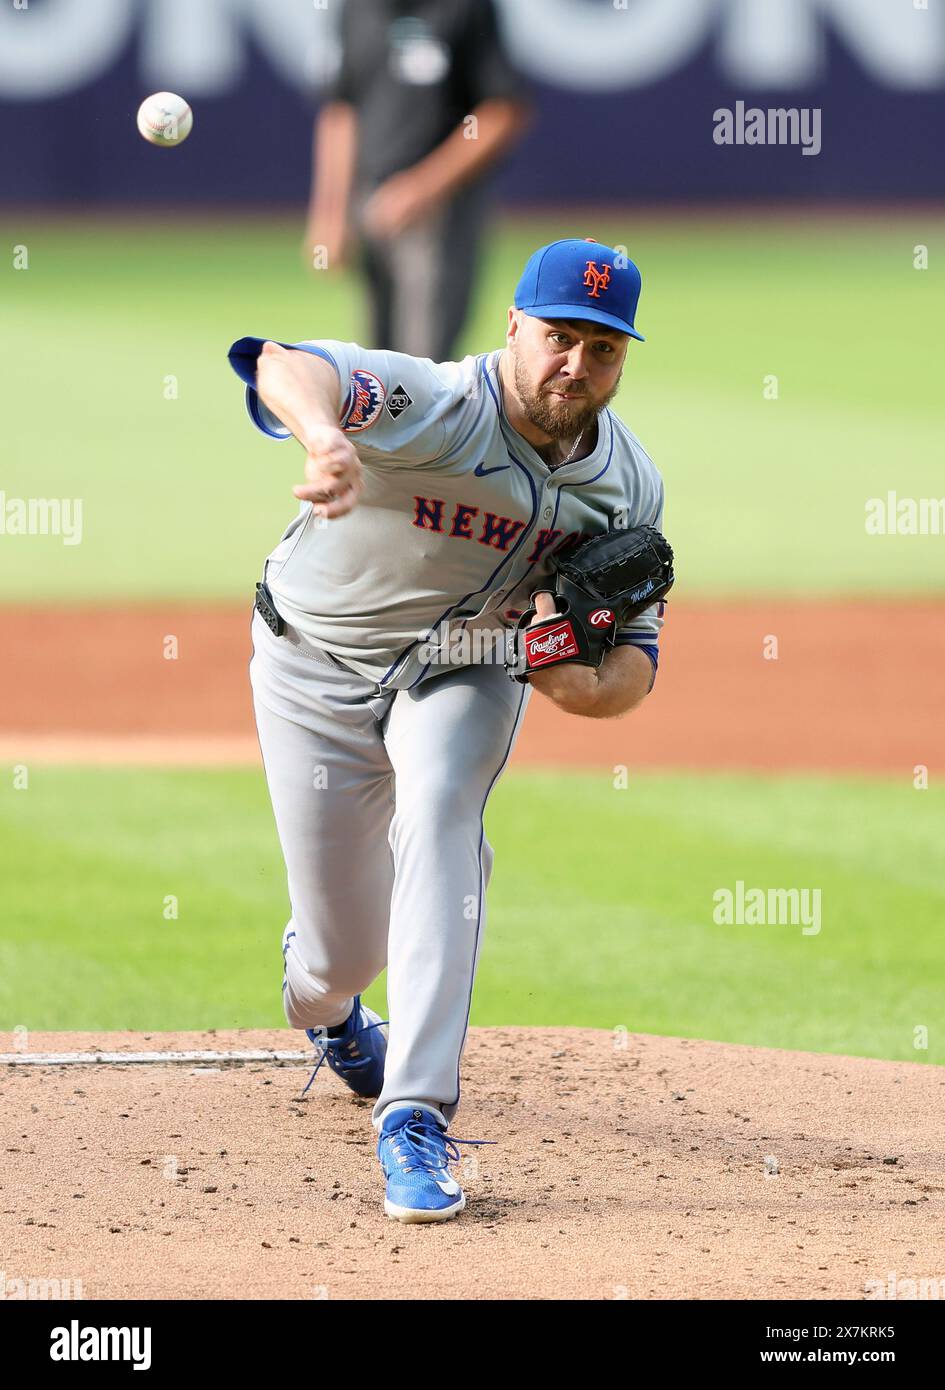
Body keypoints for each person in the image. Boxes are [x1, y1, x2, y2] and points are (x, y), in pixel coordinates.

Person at [228, 237, 668, 1223]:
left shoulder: (627, 485)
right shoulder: (433, 400)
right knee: (336, 957)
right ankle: (334, 1012)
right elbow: (281, 361)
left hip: (466, 668)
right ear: (513, 325)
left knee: (441, 812)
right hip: (315, 665)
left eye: (603, 349)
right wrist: (326, 438)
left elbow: (631, 671)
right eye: (559, 338)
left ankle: (413, 1117)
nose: (576, 366)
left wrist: (565, 674)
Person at [303, 0, 531, 360]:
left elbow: (500, 111)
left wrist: (422, 187)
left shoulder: (465, 8)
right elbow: (341, 108)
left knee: (427, 369)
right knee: (372, 368)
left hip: (441, 211)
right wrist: (331, 213)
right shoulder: (357, 8)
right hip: (370, 203)